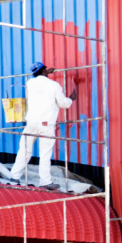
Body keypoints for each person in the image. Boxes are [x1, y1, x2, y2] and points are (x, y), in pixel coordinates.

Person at [9, 62, 74, 190]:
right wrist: (71, 98)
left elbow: (40, 81)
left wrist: (44, 72)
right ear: (44, 70)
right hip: (46, 125)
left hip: (31, 123)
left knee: (25, 150)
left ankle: (14, 176)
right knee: (44, 153)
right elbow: (63, 104)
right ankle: (45, 181)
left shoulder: (30, 83)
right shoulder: (54, 85)